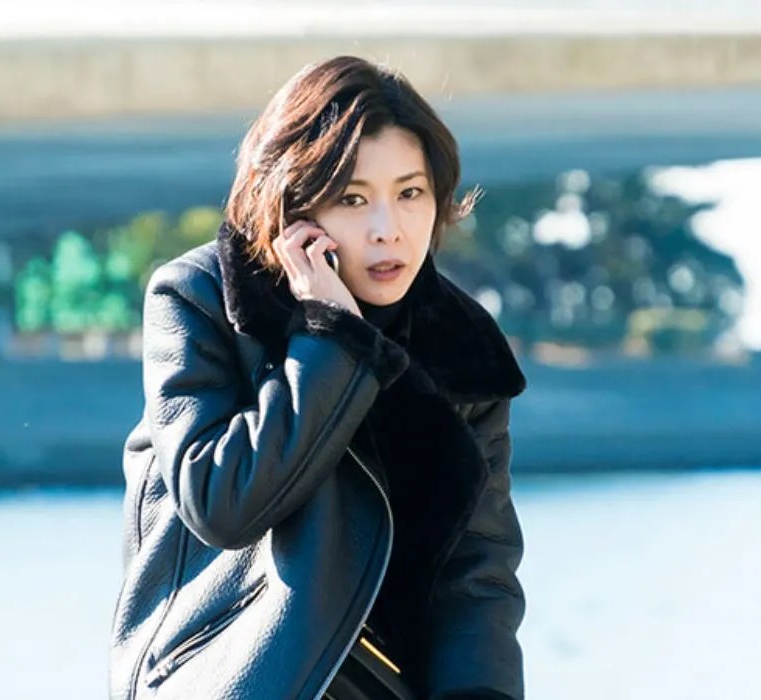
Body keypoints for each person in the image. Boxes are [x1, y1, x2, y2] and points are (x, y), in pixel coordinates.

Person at [109, 55, 527, 700]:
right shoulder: (200, 298)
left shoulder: (458, 343)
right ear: (294, 207)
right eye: (353, 199)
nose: (389, 230)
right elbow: (224, 505)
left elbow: (478, 577)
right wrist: (330, 337)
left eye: (410, 194)